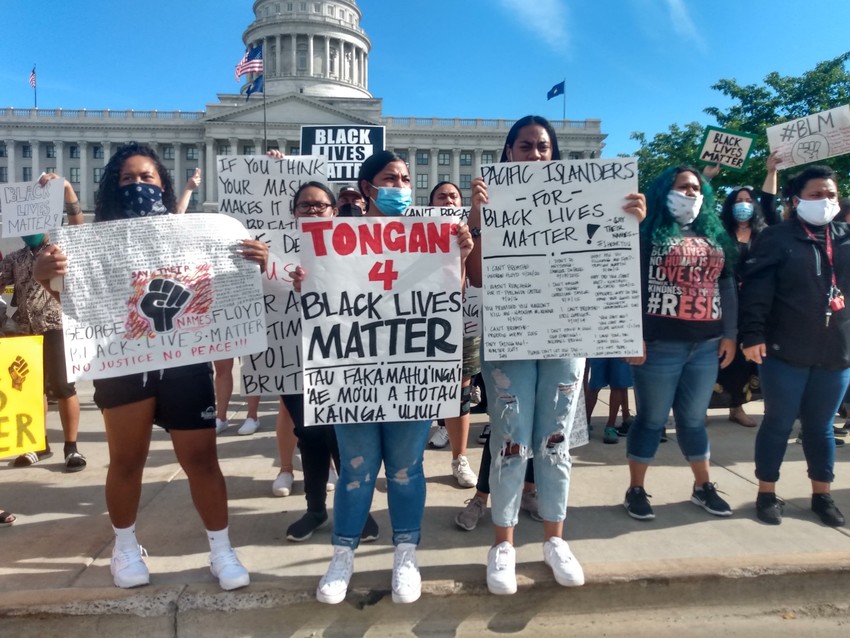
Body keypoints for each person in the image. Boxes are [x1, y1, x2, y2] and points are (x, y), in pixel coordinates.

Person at [32, 142, 268, 590]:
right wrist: (48, 277)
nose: (138, 185)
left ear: (164, 184)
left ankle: (221, 549)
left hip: (184, 360)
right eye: (128, 179)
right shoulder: (95, 241)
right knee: (127, 459)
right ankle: (124, 548)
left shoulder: (196, 234)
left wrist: (253, 262)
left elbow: (223, 283)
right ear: (113, 188)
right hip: (123, 360)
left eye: (146, 178)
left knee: (202, 458)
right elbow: (79, 305)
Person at [465, 115, 646, 595]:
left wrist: (628, 221)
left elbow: (611, 261)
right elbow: (478, 278)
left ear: (555, 153)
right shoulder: (489, 206)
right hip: (511, 335)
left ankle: (554, 539)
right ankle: (502, 543)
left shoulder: (586, 200)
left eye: (543, 146)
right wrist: (479, 222)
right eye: (524, 146)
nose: (535, 154)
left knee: (555, 439)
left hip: (566, 337)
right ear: (507, 153)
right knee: (509, 437)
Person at [293, 151, 472, 605]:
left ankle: (405, 554)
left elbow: (445, 300)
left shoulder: (432, 236)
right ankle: (342, 556)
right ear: (368, 187)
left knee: (407, 469)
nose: (402, 184)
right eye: (391, 177)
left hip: (409, 373)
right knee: (355, 471)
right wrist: (304, 281)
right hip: (353, 375)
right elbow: (321, 300)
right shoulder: (334, 238)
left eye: (407, 177)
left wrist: (461, 259)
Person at [624, 165, 736, 522]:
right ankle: (636, 489)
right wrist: (634, 335)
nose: (690, 193)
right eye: (682, 187)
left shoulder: (714, 235)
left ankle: (702, 486)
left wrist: (731, 333)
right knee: (652, 420)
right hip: (660, 344)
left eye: (695, 187)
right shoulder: (645, 232)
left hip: (706, 344)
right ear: (664, 192)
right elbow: (630, 285)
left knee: (693, 420)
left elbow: (727, 286)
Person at [740, 164, 850, 527]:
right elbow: (757, 291)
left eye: (831, 195)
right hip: (784, 351)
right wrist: (752, 334)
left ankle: (822, 495)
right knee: (779, 423)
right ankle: (767, 493)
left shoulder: (846, 237)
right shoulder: (777, 237)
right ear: (796, 199)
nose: (825, 201)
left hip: (835, 353)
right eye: (816, 194)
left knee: (820, 428)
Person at [279, 180, 378, 542]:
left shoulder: (355, 249)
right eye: (305, 205)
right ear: (294, 212)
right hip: (292, 358)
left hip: (340, 355)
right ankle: (316, 509)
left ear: (334, 211)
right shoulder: (276, 252)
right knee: (309, 436)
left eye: (321, 205)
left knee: (343, 436)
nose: (313, 211)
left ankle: (357, 511)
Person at [1, 172, 85, 472]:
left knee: (64, 388)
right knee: (31, 391)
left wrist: (67, 192)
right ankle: (38, 444)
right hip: (25, 333)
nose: (29, 231)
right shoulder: (14, 259)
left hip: (58, 328)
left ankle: (71, 447)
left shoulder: (63, 249)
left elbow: (79, 227)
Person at [706, 152, 781, 427]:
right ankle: (700, 407)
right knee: (714, 358)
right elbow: (700, 209)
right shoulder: (719, 232)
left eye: (748, 201)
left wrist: (771, 172)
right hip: (721, 307)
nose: (744, 205)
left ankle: (736, 407)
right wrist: (706, 179)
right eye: (738, 201)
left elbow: (772, 205)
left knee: (744, 362)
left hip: (754, 308)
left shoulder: (766, 235)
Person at [425, 181, 478, 488]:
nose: (447, 200)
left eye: (453, 196)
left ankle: (460, 459)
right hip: (423, 325)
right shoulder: (413, 235)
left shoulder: (471, 232)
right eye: (441, 196)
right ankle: (411, 461)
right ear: (430, 204)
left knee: (461, 394)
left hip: (463, 324)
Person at [585, 358, 633, 444]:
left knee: (618, 383)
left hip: (620, 348)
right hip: (598, 348)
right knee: (594, 384)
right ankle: (585, 423)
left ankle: (611, 426)